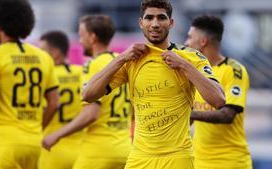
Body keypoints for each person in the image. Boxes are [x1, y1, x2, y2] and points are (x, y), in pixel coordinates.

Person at [81, 0, 226, 169]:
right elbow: (88, 95)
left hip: (177, 156)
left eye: (161, 18)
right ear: (141, 23)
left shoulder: (191, 57)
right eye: (149, 18)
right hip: (140, 157)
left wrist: (184, 65)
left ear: (171, 23)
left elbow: (219, 100)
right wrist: (121, 58)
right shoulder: (132, 59)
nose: (155, 24)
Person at [0, 0, 59, 169]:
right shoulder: (44, 57)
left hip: (6, 143)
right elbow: (54, 103)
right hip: (34, 143)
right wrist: (36, 129)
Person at [42, 15, 132, 169]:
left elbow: (91, 114)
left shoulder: (93, 65)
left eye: (81, 35)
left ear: (92, 37)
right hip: (124, 149)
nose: (79, 41)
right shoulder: (123, 63)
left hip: (98, 151)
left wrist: (57, 135)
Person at [185, 15, 252, 169]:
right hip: (199, 162)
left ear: (203, 42)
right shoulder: (195, 71)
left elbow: (227, 115)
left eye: (190, 37)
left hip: (230, 162)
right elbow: (191, 117)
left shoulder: (234, 70)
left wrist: (189, 114)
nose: (186, 42)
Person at [37, 31, 83, 169]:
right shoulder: (83, 73)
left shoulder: (44, 77)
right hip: (82, 151)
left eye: (42, 51)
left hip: (51, 148)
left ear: (55, 53)